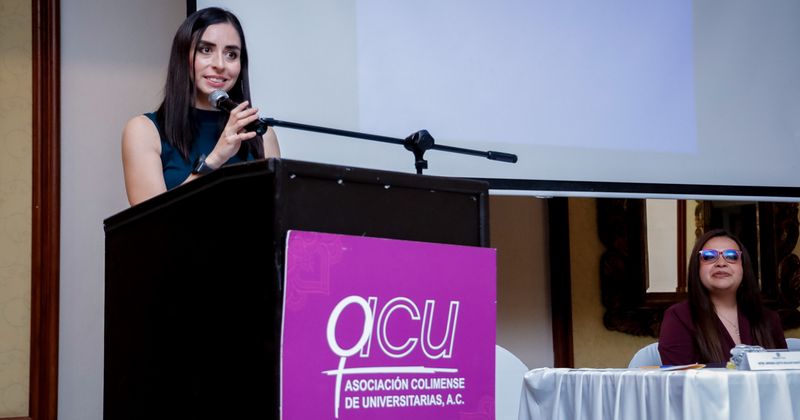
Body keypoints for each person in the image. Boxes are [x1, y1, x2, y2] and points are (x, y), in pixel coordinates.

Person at [122, 7, 280, 206]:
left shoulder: (263, 136)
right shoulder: (144, 130)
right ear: (183, 57)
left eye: (231, 54)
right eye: (206, 50)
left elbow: (278, 216)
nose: (220, 64)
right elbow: (151, 221)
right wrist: (214, 160)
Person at [659, 229, 786, 366]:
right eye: (709, 256)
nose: (721, 263)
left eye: (732, 256)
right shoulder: (679, 317)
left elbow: (784, 374)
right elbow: (679, 377)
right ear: (697, 268)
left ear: (744, 267)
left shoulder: (769, 319)